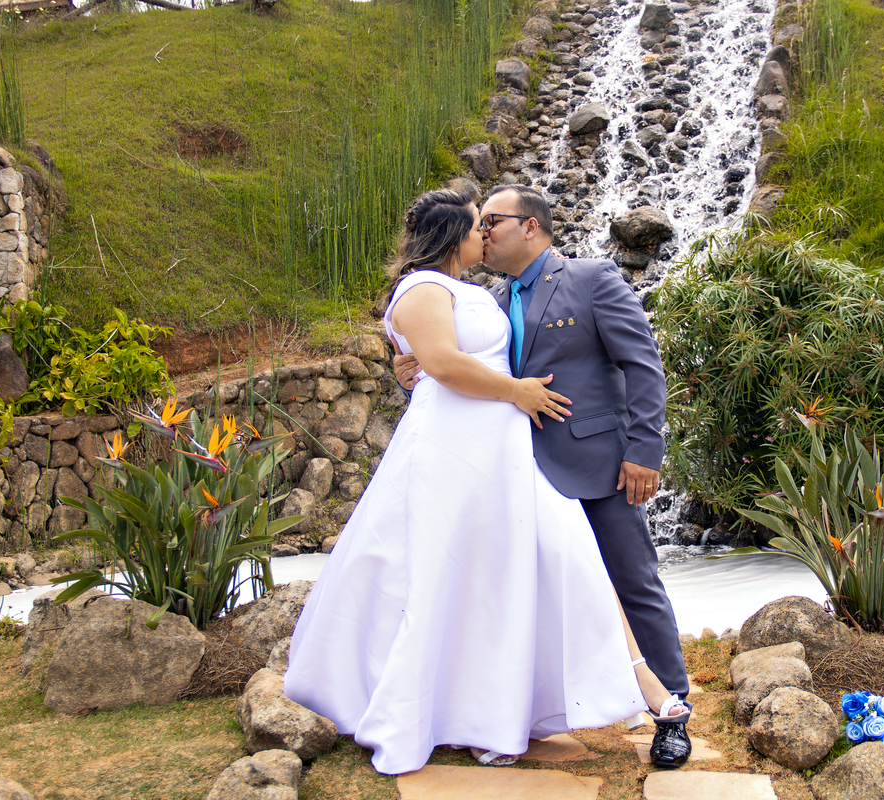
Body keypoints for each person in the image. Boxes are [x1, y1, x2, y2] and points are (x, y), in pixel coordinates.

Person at [283, 189, 685, 775]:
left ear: (531, 226)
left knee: (630, 580)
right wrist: (410, 371)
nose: (487, 232)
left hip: (594, 460)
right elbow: (449, 364)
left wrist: (645, 450)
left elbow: (642, 363)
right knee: (504, 585)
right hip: (492, 462)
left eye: (493, 221)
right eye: (479, 224)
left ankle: (675, 711)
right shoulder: (486, 296)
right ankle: (515, 703)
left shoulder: (593, 278)